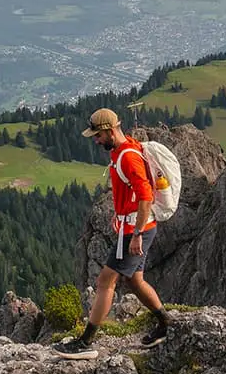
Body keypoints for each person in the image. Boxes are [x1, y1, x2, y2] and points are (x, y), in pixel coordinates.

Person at [54, 108, 169, 359]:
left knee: (105, 281)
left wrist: (136, 233)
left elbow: (146, 196)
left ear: (109, 130)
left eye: (98, 135)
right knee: (135, 280)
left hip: (136, 231)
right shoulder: (122, 148)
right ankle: (165, 324)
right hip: (133, 227)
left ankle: (85, 343)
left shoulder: (127, 157)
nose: (96, 140)